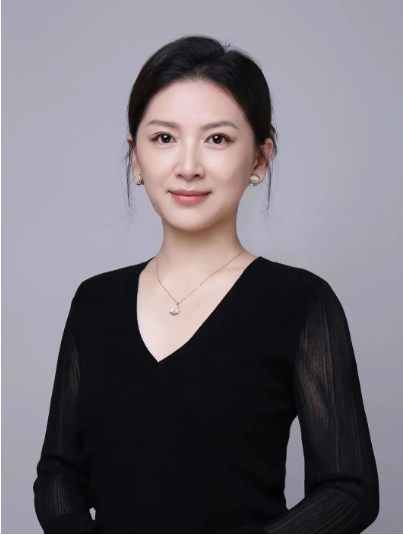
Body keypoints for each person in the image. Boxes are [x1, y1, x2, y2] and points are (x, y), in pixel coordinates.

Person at [33, 35, 379, 534]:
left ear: (259, 159)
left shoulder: (301, 302)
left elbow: (349, 489)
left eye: (217, 139)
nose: (189, 166)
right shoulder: (95, 301)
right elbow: (58, 472)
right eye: (164, 138)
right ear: (135, 157)